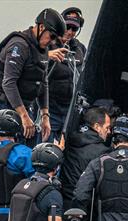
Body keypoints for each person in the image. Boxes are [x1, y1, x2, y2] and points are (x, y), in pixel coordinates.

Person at [0, 8, 66, 144]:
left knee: (28, 151)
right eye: (52, 36)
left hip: (24, 107)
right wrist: (24, 116)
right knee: (13, 152)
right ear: (41, 27)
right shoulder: (19, 45)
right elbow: (9, 83)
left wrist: (45, 116)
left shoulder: (42, 49)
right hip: (6, 106)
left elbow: (43, 83)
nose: (52, 42)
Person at [45, 7, 88, 142]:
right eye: (67, 27)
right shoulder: (46, 44)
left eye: (74, 29)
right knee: (44, 147)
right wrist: (48, 56)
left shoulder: (80, 49)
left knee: (69, 148)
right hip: (50, 108)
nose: (69, 32)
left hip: (70, 109)